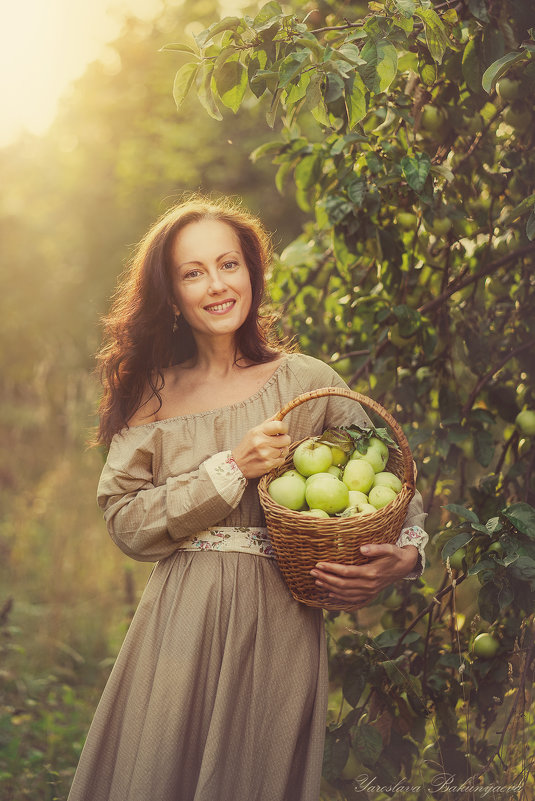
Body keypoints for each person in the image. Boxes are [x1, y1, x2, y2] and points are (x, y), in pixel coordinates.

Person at [67, 197, 428, 801]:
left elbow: (394, 474)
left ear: (252, 274)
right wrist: (230, 469)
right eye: (193, 272)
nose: (216, 285)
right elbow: (127, 522)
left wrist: (408, 556)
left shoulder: (305, 382)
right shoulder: (153, 397)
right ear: (172, 293)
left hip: (279, 622)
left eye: (228, 264)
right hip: (180, 626)